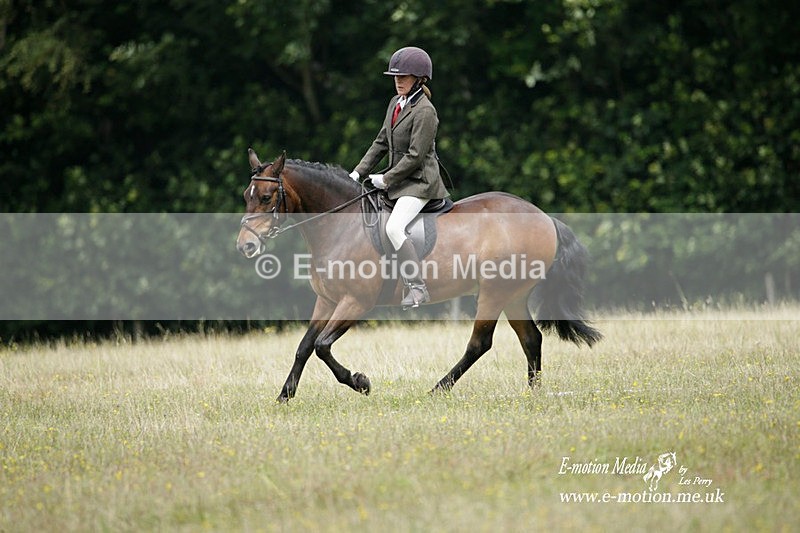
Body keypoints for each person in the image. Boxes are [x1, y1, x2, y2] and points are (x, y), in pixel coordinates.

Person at [349, 46, 450, 308]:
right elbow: (381, 142)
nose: (398, 81)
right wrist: (358, 171)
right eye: (395, 76)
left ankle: (417, 288)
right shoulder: (395, 103)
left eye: (404, 76)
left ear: (420, 79)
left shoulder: (426, 111)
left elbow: (416, 155)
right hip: (400, 180)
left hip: (420, 184)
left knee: (394, 227)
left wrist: (386, 179)